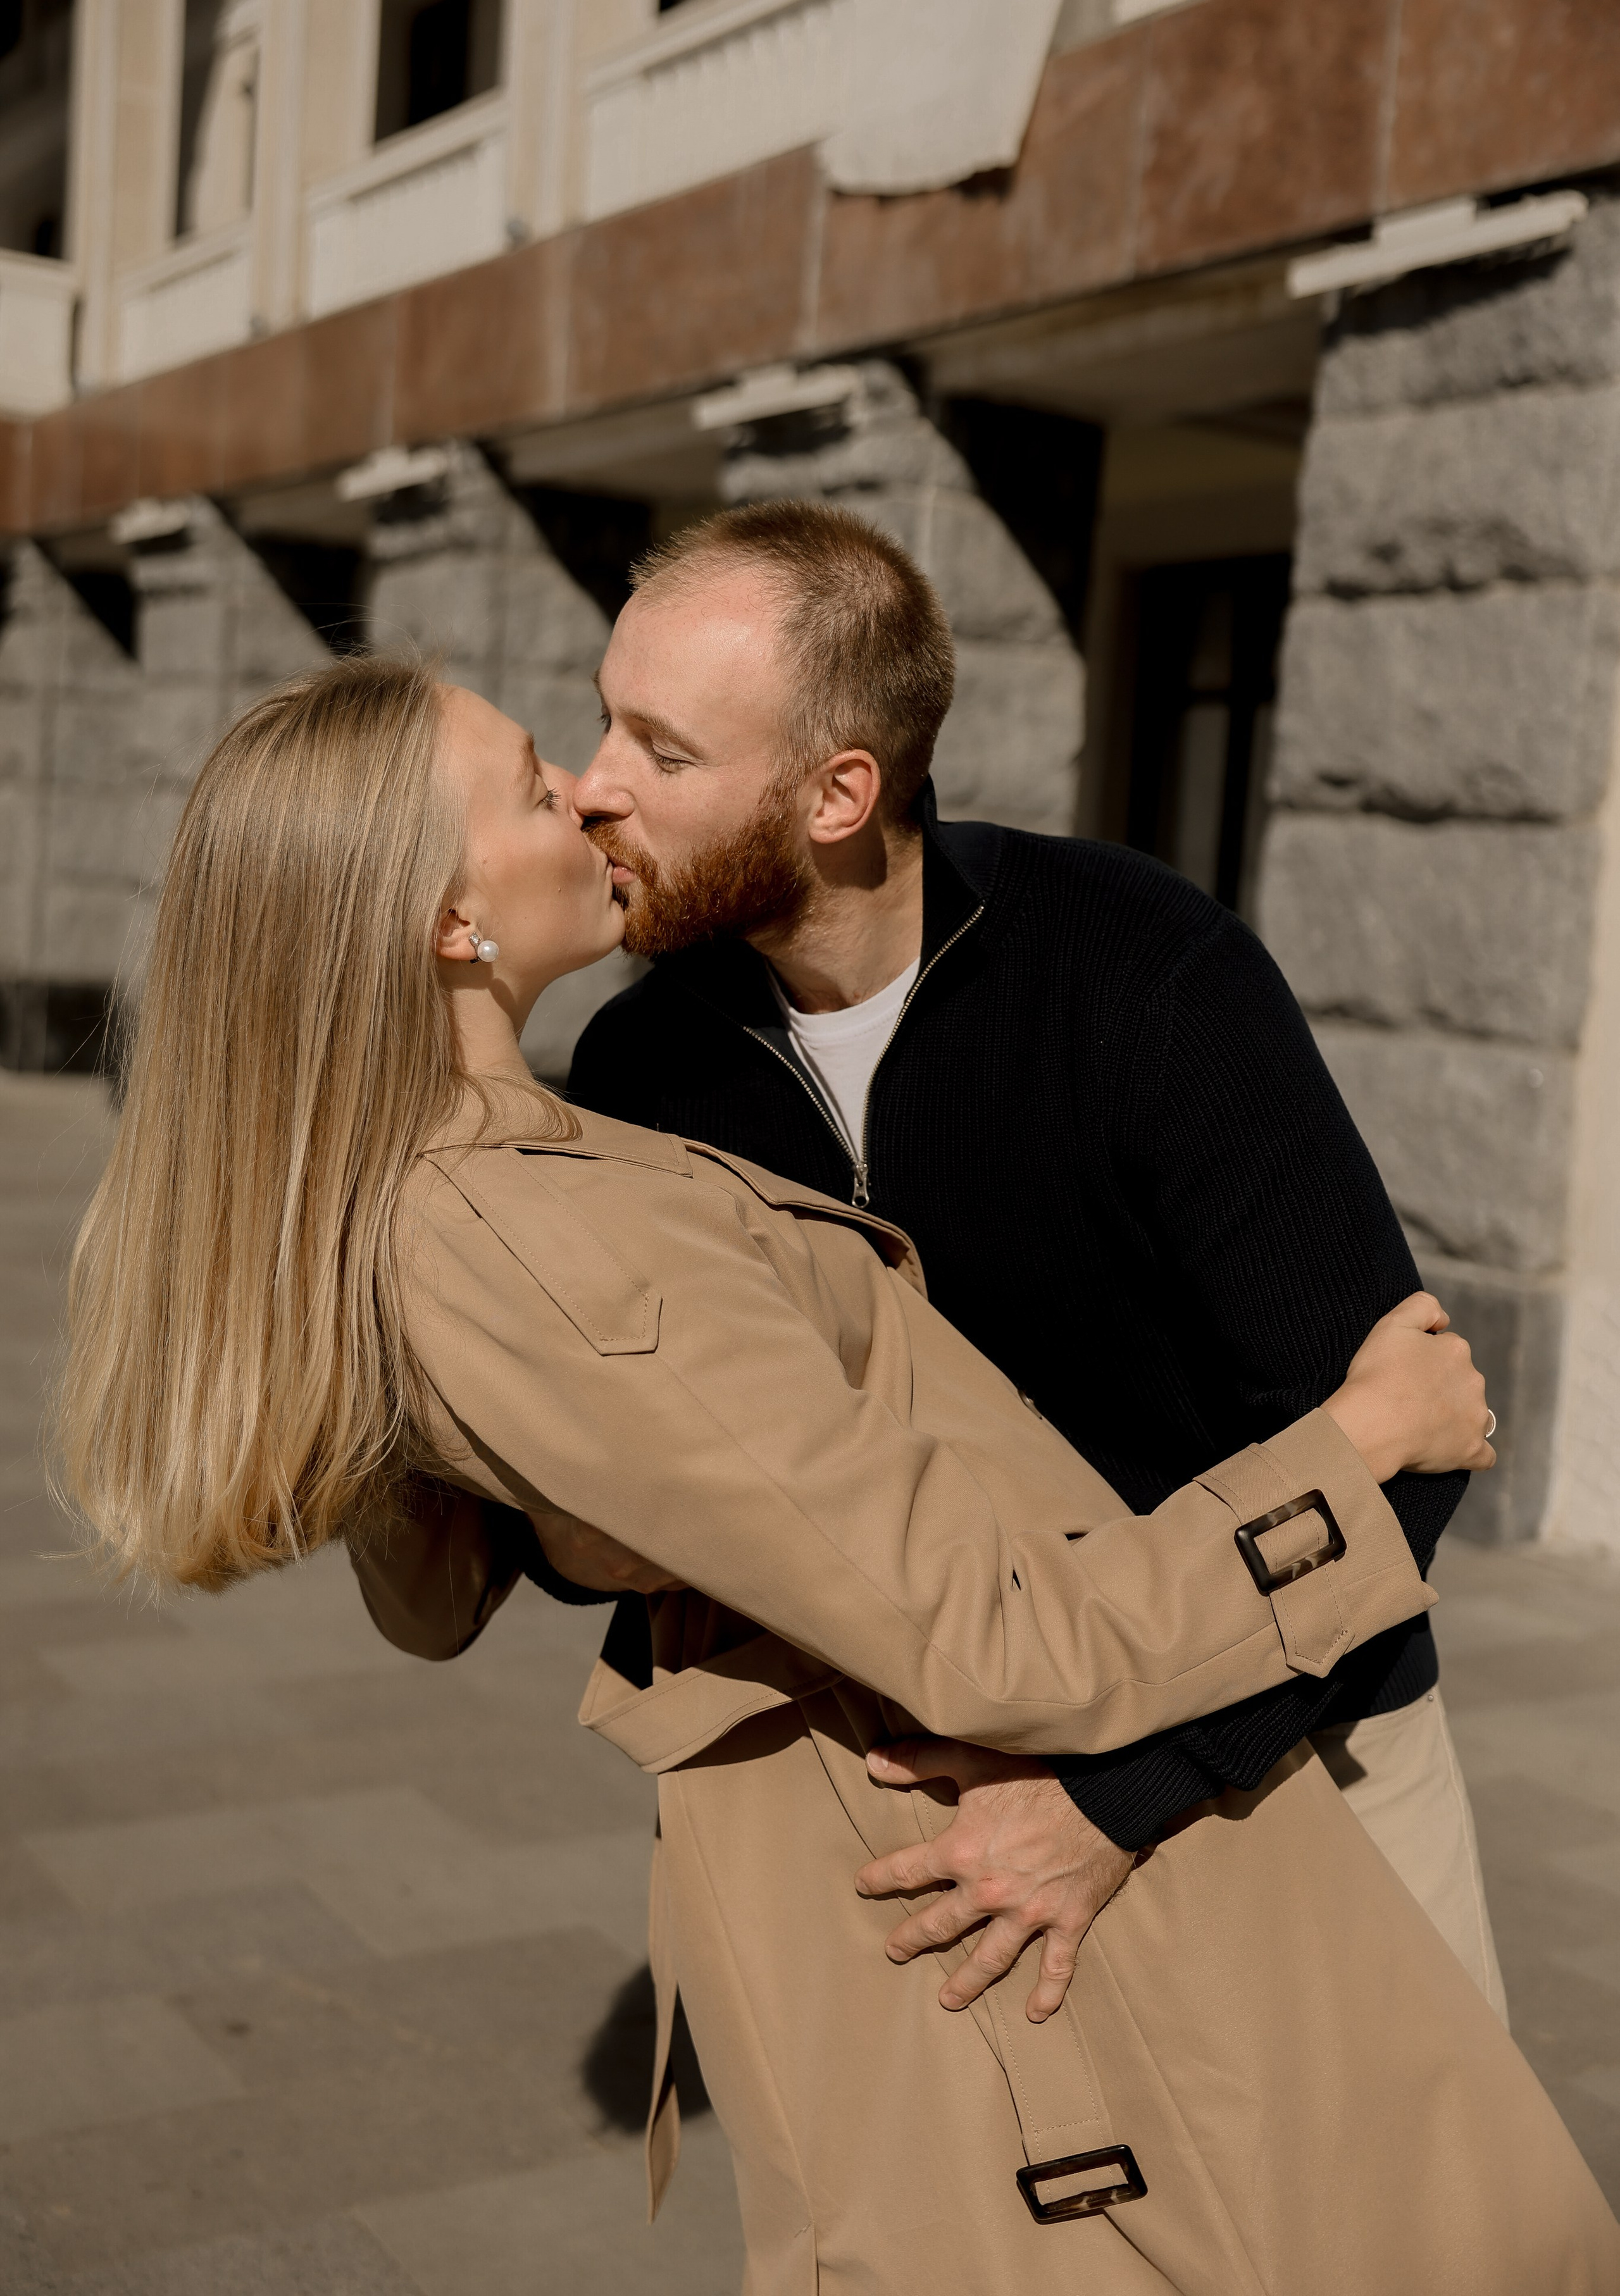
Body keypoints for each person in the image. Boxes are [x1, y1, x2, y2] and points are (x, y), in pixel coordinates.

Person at [52, 656, 1615, 2294]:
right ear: (451, 921)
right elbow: (994, 1636)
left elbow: (466, 1572)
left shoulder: (493, 1177)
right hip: (1060, 1812)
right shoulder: (534, 1227)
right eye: (534, 781)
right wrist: (1358, 1455)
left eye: (636, 745)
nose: (586, 790)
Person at [564, 500, 1506, 2025]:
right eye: (604, 720)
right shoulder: (639, 1068)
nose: (593, 787)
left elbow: (1404, 1448)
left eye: (662, 753)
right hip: (924, 1811)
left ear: (836, 792)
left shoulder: (1143, 971)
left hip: (1279, 1748)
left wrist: (1113, 1802)